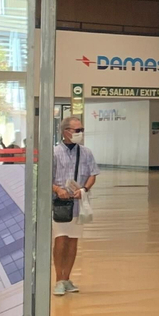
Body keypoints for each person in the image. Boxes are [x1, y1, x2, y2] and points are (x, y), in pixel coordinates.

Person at [52, 115, 97, 296]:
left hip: (78, 204)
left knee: (73, 241)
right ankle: (58, 279)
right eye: (77, 130)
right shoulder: (54, 153)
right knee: (61, 239)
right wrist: (57, 189)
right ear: (66, 132)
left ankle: (67, 278)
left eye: (82, 130)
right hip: (60, 205)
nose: (80, 133)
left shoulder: (86, 153)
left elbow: (93, 174)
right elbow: (45, 178)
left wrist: (84, 189)